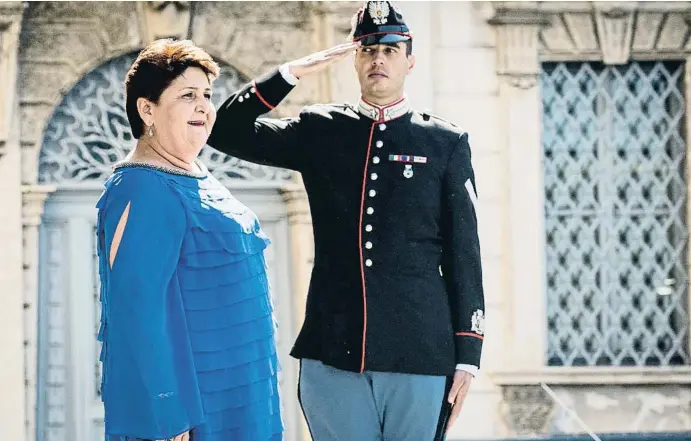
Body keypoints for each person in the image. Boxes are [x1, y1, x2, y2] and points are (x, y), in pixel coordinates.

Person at [207, 1, 485, 440]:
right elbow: (225, 130)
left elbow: (464, 253)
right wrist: (289, 74)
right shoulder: (320, 129)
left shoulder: (444, 142)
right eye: (368, 49)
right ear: (354, 58)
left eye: (391, 50)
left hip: (419, 353)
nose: (378, 59)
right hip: (332, 350)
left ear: (410, 61)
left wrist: (468, 354)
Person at [95, 39, 282, 441]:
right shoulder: (141, 187)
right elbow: (135, 311)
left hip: (244, 400)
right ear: (148, 109)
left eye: (207, 96)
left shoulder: (193, 172)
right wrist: (167, 412)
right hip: (195, 415)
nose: (203, 106)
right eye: (187, 95)